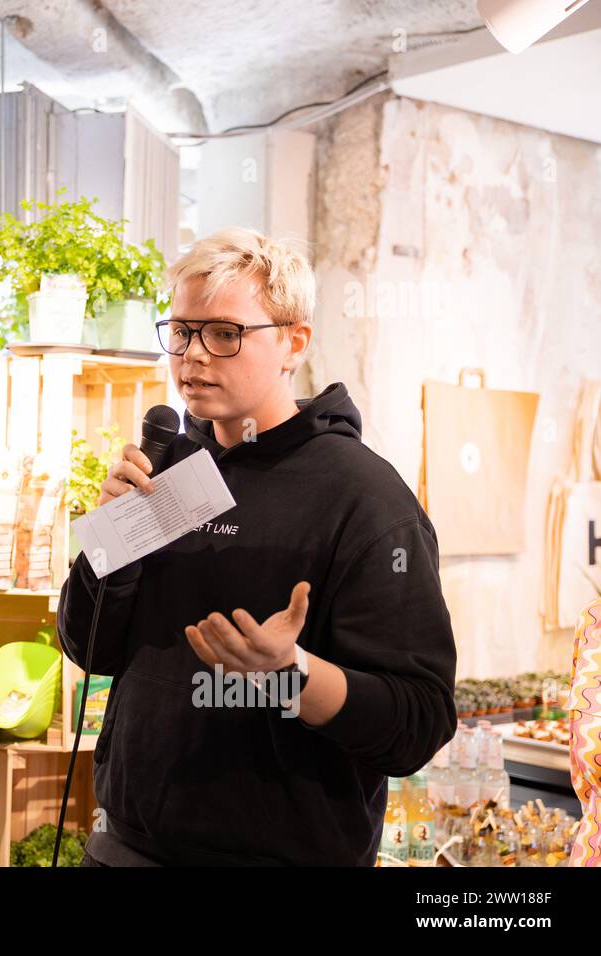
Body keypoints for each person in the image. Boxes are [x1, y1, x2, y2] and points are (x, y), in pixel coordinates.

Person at [58, 228, 457, 866]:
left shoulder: (364, 499)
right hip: (125, 849)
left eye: (224, 333)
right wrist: (113, 541)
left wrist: (292, 676)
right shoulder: (173, 470)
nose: (193, 356)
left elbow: (420, 720)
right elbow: (90, 647)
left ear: (293, 343)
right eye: (182, 332)